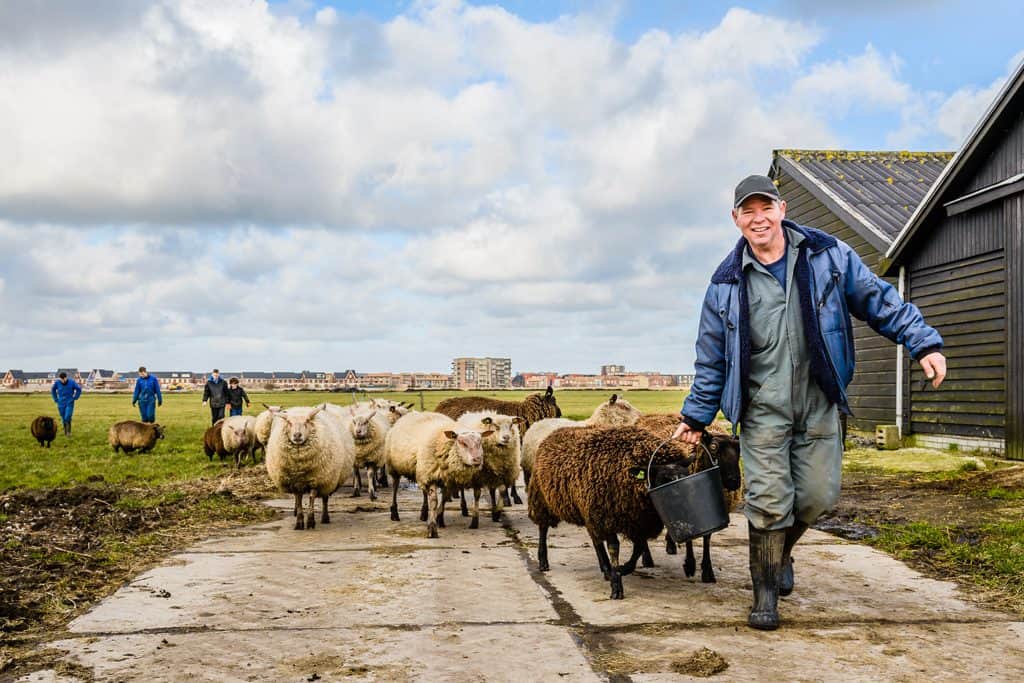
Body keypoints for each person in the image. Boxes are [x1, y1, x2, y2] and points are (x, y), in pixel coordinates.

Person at [673, 174, 947, 631]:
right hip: (762, 408)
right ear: (736, 219)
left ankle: (783, 553)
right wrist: (697, 415)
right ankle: (764, 595)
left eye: (766, 208)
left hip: (819, 399)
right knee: (766, 501)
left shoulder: (828, 257)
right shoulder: (724, 284)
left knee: (820, 494)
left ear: (781, 209)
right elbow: (711, 357)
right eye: (748, 211)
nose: (758, 218)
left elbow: (878, 300)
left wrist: (923, 343)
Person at [50, 371, 82, 436]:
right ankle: (66, 431)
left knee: (68, 416)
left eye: (63, 379)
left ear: (66, 378)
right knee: (63, 418)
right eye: (61, 379)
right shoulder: (57, 383)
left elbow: (78, 389)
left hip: (69, 401)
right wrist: (55, 399)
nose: (62, 381)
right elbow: (53, 390)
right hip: (61, 402)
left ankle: (69, 432)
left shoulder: (72, 382)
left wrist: (75, 397)